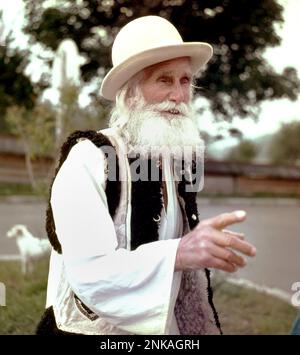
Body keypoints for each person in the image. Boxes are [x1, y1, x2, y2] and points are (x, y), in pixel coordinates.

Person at [36, 15, 256, 335]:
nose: (179, 96)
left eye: (185, 81)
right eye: (164, 80)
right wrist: (180, 252)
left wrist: (194, 244)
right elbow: (90, 273)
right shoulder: (90, 158)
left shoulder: (174, 159)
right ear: (129, 93)